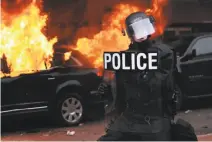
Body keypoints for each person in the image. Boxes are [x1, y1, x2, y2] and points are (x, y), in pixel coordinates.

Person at [97, 12, 177, 141]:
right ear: (130, 33)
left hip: (155, 118)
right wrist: (107, 90)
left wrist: (147, 74)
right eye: (137, 29)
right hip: (129, 119)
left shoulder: (163, 53)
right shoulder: (123, 58)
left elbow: (163, 85)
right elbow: (119, 90)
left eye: (144, 27)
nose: (142, 33)